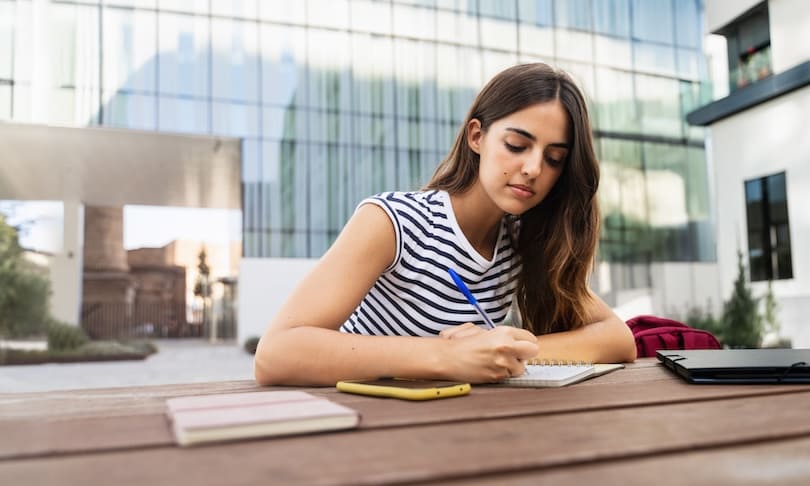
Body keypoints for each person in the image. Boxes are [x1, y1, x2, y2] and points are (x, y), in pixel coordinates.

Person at [255, 63, 637, 386]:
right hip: (359, 426)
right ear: (477, 136)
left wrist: (502, 349)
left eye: (554, 158)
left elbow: (617, 339)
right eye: (517, 146)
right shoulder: (393, 222)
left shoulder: (522, 243)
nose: (534, 169)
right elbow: (275, 354)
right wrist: (446, 355)